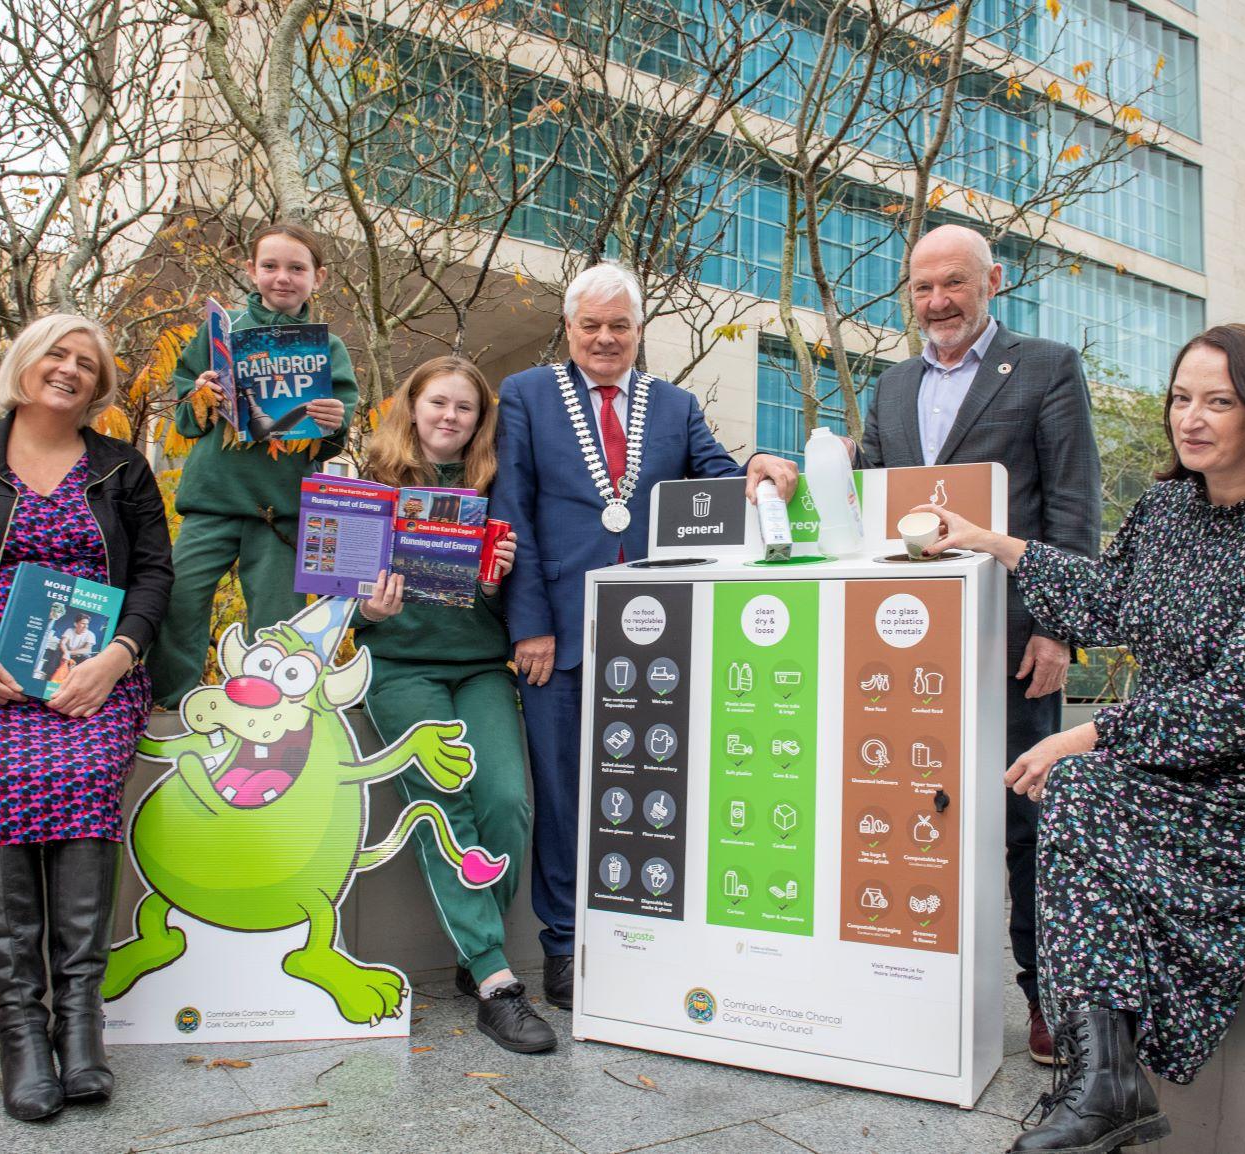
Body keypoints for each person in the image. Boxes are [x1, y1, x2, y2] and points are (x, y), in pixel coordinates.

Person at [915, 324, 1245, 1153]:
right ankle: (1103, 1081)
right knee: (1085, 798)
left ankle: (1103, 1083)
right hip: (1173, 768)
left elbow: (1240, 707)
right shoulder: (1168, 508)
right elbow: (1110, 602)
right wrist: (992, 542)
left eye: (1218, 402)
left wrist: (1089, 734)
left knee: (1081, 787)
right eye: (1181, 398)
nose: (1190, 419)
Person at [0, 314, 174, 1121]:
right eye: (58, 354)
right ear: (24, 363)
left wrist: (118, 658)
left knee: (84, 769)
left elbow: (154, 575)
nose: (71, 370)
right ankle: (21, 1032)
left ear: (101, 386)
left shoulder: (121, 470)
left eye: (88, 364)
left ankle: (81, 1028)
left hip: (88, 677)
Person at [489, 261, 797, 1008]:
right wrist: (528, 625)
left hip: (661, 643)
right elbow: (514, 507)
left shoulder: (675, 404)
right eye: (590, 325)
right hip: (559, 637)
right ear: (569, 329)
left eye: (618, 325)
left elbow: (715, 484)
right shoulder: (526, 396)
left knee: (660, 786)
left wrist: (756, 464)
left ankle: (653, 933)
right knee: (563, 797)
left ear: (638, 330)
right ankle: (563, 948)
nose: (604, 338)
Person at [857, 223, 1100, 1064]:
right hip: (908, 655)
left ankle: (1047, 1001)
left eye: (953, 283)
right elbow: (871, 510)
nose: (938, 303)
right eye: (922, 289)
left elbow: (1072, 503)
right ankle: (913, 989)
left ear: (993, 279)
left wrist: (1061, 629)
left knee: (1030, 826)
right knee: (912, 814)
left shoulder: (1046, 367)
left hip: (1015, 646)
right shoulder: (889, 387)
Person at [350, 355, 550, 1053]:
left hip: (478, 667)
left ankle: (474, 948)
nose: (450, 417)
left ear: (479, 420)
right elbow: (338, 606)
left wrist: (496, 587)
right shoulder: (370, 485)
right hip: (402, 670)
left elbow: (509, 597)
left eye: (465, 408)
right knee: (445, 805)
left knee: (505, 800)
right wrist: (367, 610)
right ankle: (496, 981)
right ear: (412, 406)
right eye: (438, 402)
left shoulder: (497, 489)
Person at [147, 222, 358, 708]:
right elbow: (186, 418)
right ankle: (167, 705)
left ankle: (275, 711)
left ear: (318, 277)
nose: (282, 277)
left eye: (296, 268)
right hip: (213, 502)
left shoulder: (329, 349)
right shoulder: (222, 330)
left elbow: (332, 437)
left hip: (279, 512)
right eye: (270, 266)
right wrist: (200, 395)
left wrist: (332, 422)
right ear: (251, 270)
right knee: (179, 601)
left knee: (279, 622)